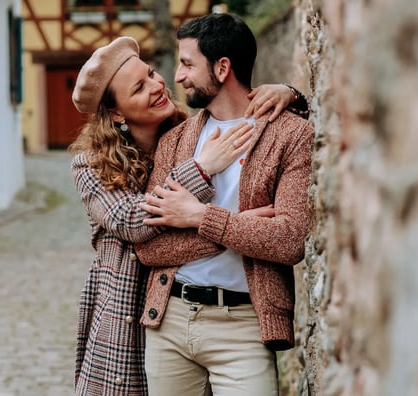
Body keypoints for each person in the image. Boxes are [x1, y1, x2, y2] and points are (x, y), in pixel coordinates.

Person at [69, 35, 309, 395]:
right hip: (128, 312)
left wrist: (291, 93)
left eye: (150, 73)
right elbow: (135, 223)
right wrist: (211, 182)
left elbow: (232, 95)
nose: (157, 85)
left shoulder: (186, 135)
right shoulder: (91, 165)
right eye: (139, 87)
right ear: (117, 113)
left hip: (190, 310)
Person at [133, 13, 314, 396]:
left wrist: (198, 216)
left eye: (186, 64)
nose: (178, 77)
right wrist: (238, 228)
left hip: (245, 325)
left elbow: (289, 240)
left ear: (222, 67)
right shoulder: (176, 141)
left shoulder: (291, 135)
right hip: (170, 320)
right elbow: (148, 247)